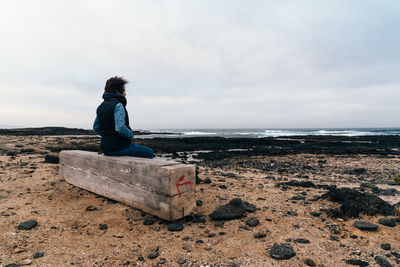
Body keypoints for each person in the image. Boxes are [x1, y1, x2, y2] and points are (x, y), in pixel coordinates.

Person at [93, 76, 154, 159]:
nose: (125, 93)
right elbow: (120, 128)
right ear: (118, 91)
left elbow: (96, 128)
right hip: (119, 148)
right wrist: (130, 135)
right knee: (149, 153)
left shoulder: (101, 106)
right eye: (124, 90)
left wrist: (108, 136)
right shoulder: (118, 105)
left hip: (106, 149)